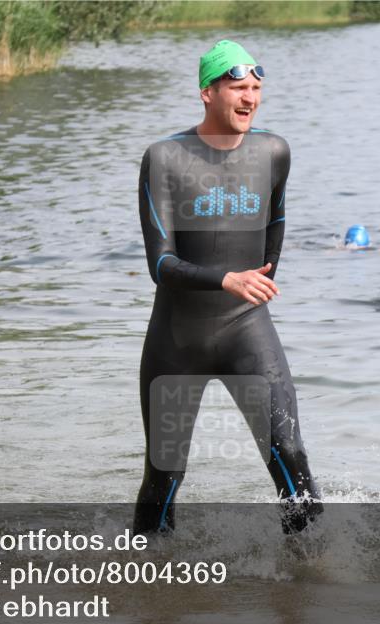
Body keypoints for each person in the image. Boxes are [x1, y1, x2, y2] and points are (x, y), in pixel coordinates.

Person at [134, 40, 320, 535]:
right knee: (165, 475)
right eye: (239, 87)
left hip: (247, 330)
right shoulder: (165, 158)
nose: (250, 98)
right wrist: (227, 279)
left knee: (291, 457)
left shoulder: (273, 152)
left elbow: (276, 221)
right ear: (207, 92)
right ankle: (146, 585)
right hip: (177, 340)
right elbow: (162, 263)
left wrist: (261, 278)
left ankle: (311, 585)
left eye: (256, 88)